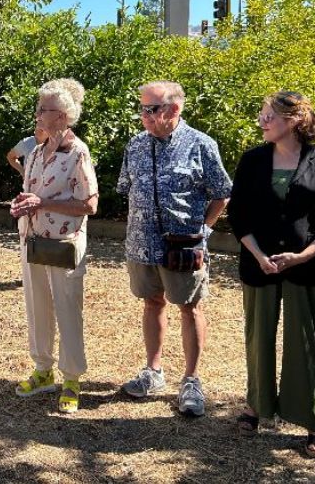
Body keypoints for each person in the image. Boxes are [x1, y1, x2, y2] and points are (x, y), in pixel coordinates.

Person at [227, 91, 315, 457]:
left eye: (270, 116)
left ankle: (313, 420)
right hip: (258, 265)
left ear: (295, 120)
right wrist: (260, 254)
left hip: (309, 269)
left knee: (307, 344)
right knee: (258, 339)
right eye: (262, 115)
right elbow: (239, 216)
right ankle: (257, 407)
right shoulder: (252, 160)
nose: (262, 122)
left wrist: (301, 256)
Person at [116, 80, 232, 417]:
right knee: (152, 303)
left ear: (174, 109)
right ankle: (153, 371)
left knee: (189, 307)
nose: (144, 116)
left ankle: (191, 380)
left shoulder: (200, 145)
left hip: (183, 246)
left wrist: (204, 231)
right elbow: (127, 188)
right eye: (141, 109)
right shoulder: (136, 145)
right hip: (141, 245)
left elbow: (222, 191)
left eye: (151, 110)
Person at [10, 78, 99, 414]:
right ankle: (43, 369)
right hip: (32, 241)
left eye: (43, 109)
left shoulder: (78, 152)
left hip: (63, 245)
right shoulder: (34, 152)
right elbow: (32, 195)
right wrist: (21, 204)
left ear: (62, 116)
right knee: (37, 306)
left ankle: (72, 378)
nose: (37, 114)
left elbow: (89, 205)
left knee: (67, 308)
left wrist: (43, 203)